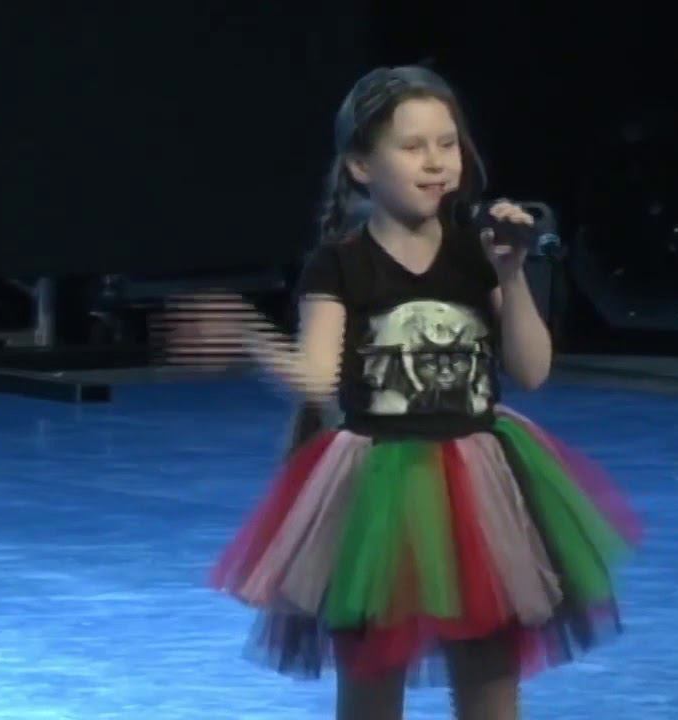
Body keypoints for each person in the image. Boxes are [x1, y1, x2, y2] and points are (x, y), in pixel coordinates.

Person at [204, 65, 641, 720]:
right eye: (413, 147)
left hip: (481, 489)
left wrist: (511, 275)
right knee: (372, 678)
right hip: (377, 488)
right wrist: (248, 335)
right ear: (361, 166)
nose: (436, 162)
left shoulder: (476, 254)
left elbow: (532, 370)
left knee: (490, 675)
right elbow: (318, 378)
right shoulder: (341, 264)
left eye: (447, 143)